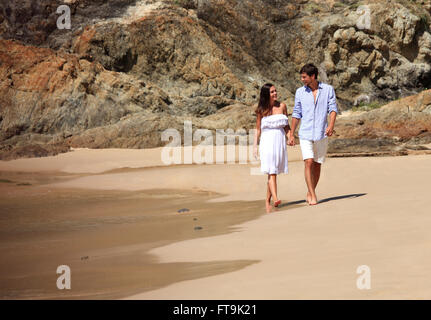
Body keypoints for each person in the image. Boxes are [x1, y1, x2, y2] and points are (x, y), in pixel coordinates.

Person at [288, 63, 338, 205]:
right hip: (305, 133)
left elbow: (333, 109)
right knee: (308, 162)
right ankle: (313, 195)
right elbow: (297, 114)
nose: (302, 80)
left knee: (317, 164)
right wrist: (292, 134)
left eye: (304, 77)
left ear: (313, 76)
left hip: (322, 133)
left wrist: (331, 125)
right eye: (301, 77)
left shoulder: (328, 90)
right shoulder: (300, 92)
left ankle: (310, 191)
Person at [253, 83, 291, 213]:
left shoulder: (282, 106)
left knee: (272, 170)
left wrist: (291, 137)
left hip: (279, 141)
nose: (275, 93)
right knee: (272, 171)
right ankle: (275, 198)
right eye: (272, 92)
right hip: (267, 141)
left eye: (275, 91)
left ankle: (267, 201)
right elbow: (258, 129)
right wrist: (255, 146)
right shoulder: (261, 110)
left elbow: (286, 126)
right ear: (266, 95)